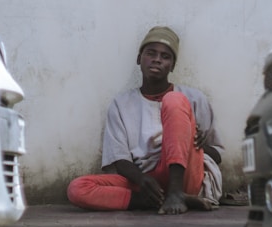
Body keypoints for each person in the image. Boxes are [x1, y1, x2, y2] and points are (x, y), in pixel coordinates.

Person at [67, 26, 224, 215]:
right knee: (78, 188)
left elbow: (217, 156)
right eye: (151, 53)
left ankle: (176, 193)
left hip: (186, 179)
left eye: (165, 57)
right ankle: (150, 201)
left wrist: (195, 142)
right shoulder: (121, 104)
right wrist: (142, 180)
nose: (157, 59)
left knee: (173, 100)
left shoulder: (193, 98)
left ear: (173, 66)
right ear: (139, 58)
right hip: (147, 182)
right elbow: (120, 160)